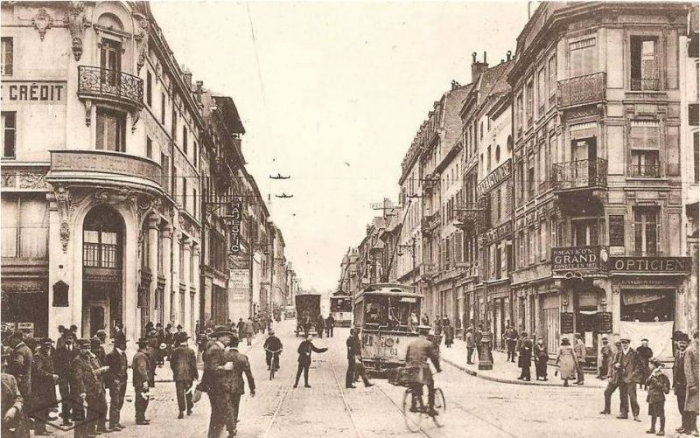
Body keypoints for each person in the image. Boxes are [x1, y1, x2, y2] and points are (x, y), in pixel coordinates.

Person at [199, 325, 236, 438]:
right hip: (216, 387)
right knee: (218, 414)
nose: (229, 339)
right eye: (227, 336)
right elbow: (212, 368)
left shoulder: (218, 348)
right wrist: (224, 367)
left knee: (218, 414)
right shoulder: (215, 349)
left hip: (216, 386)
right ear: (221, 337)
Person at [71, 339, 108, 438]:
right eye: (85, 348)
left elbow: (91, 374)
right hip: (79, 391)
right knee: (79, 414)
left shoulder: (87, 358)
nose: (87, 350)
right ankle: (79, 435)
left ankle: (86, 433)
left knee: (91, 411)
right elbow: (78, 378)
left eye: (89, 347)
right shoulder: (77, 361)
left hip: (90, 389)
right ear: (79, 348)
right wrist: (82, 391)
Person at [223, 336, 255, 436]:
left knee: (227, 406)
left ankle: (230, 427)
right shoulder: (243, 357)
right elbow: (249, 374)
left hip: (224, 385)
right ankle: (233, 427)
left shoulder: (223, 356)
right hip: (238, 385)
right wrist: (252, 388)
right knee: (235, 406)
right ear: (238, 344)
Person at [405, 326, 441, 416]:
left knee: (415, 384)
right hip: (421, 369)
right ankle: (431, 409)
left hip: (410, 368)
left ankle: (413, 405)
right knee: (431, 385)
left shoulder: (411, 343)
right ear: (427, 334)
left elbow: (406, 358)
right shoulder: (428, 344)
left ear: (419, 333)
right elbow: (434, 359)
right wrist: (438, 368)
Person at [31, 338, 58, 436]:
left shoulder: (47, 354)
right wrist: (51, 376)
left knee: (46, 407)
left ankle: (43, 428)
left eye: (49, 344)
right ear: (41, 345)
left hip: (47, 386)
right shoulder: (38, 356)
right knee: (40, 408)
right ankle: (39, 429)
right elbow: (38, 371)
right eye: (46, 344)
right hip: (40, 387)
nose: (48, 346)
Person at [614, 337, 645, 421]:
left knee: (632, 396)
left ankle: (636, 414)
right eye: (622, 343)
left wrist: (634, 374)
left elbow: (641, 366)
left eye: (626, 343)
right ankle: (624, 413)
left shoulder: (634, 353)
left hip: (631, 378)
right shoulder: (619, 353)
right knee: (622, 396)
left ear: (628, 343)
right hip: (621, 377)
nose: (624, 344)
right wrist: (616, 365)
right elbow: (614, 363)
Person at [171, 332, 198, 419]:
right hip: (188, 375)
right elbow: (193, 364)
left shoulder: (175, 351)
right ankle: (189, 408)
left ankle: (181, 411)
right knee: (188, 391)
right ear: (186, 341)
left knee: (179, 393)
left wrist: (175, 371)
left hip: (178, 375)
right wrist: (196, 375)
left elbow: (172, 364)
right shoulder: (190, 351)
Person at [104, 336, 128, 432]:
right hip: (116, 382)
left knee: (120, 401)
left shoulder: (123, 354)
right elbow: (108, 370)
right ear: (119, 344)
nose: (125, 345)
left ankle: (116, 421)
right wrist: (114, 379)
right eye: (124, 343)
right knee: (115, 402)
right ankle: (112, 424)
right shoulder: (111, 355)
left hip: (123, 381)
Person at [55, 332, 78, 426]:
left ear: (74, 340)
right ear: (64, 340)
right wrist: (58, 376)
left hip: (74, 377)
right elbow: (56, 364)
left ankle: (73, 415)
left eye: (71, 338)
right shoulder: (59, 351)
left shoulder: (77, 351)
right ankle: (65, 419)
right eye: (67, 338)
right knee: (65, 398)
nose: (69, 340)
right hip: (63, 377)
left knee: (75, 396)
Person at [6, 332, 33, 410]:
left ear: (17, 339)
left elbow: (18, 365)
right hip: (26, 380)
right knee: (25, 402)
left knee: (20, 402)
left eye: (12, 339)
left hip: (20, 381)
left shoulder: (19, 350)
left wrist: (8, 370)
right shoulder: (27, 348)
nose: (11, 342)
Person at [89, 337, 109, 434]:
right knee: (93, 408)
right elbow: (91, 373)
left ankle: (101, 426)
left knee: (103, 406)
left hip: (100, 385)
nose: (98, 349)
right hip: (92, 386)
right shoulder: (89, 358)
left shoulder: (96, 357)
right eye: (96, 347)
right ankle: (91, 429)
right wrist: (102, 370)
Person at [2, 364, 27, 438]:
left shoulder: (9, 379)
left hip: (7, 420)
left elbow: (19, 398)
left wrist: (14, 408)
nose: (5, 364)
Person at [646, 358, 670, 436]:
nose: (649, 365)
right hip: (652, 397)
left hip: (658, 397)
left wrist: (653, 378)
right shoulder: (653, 373)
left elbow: (660, 385)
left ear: (654, 365)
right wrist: (651, 376)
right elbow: (646, 383)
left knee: (661, 414)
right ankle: (653, 428)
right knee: (653, 413)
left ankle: (662, 430)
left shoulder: (660, 374)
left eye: (650, 364)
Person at [132, 338, 152, 426]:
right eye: (147, 345)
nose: (148, 347)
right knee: (142, 399)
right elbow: (142, 369)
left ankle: (140, 417)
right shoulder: (141, 356)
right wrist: (145, 381)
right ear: (146, 346)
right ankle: (140, 418)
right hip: (140, 381)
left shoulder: (138, 355)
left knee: (141, 399)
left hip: (138, 381)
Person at [674, 332, 691, 433]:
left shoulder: (689, 354)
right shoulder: (677, 354)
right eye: (680, 343)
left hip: (686, 385)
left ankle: (688, 427)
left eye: (684, 343)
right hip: (678, 385)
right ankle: (683, 425)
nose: (681, 345)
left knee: (687, 407)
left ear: (687, 344)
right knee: (680, 406)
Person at [601, 341, 623, 415]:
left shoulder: (624, 355)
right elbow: (610, 366)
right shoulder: (614, 354)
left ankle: (623, 412)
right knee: (607, 392)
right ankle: (607, 409)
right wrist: (609, 376)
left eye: (619, 346)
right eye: (616, 346)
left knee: (623, 395)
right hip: (613, 377)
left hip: (621, 378)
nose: (618, 348)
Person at [684, 331, 699, 436]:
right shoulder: (690, 351)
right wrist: (691, 384)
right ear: (695, 338)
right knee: (692, 407)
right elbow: (687, 368)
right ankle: (693, 428)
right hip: (695, 383)